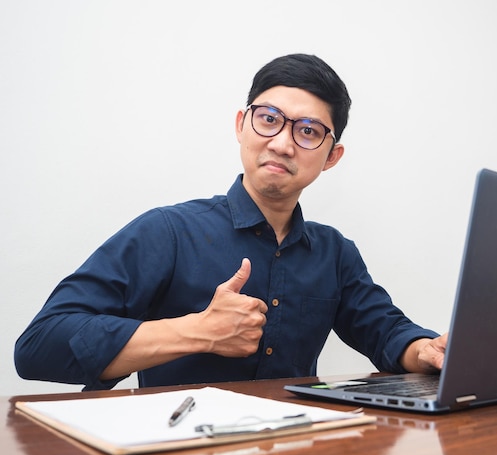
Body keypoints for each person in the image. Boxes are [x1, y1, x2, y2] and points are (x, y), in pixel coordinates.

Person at [14, 53, 448, 391]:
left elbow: (386, 331)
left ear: (331, 156)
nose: (281, 143)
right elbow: (39, 346)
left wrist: (425, 350)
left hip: (299, 454)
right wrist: (197, 331)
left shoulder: (335, 254)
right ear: (242, 126)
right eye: (269, 120)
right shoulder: (167, 232)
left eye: (309, 131)